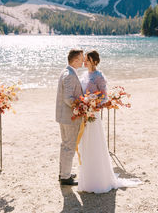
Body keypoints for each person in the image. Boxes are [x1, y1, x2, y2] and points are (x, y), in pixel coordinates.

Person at [78, 50, 141, 193]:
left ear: (93, 61)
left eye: (87, 59)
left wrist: (94, 104)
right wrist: (83, 104)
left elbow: (105, 98)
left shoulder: (99, 76)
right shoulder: (83, 75)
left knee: (95, 145)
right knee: (85, 146)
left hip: (93, 116)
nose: (84, 62)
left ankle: (99, 180)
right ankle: (87, 180)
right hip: (84, 116)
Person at [56, 49, 84, 185]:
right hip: (69, 117)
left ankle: (63, 173)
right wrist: (80, 107)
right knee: (69, 146)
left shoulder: (66, 71)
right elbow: (68, 98)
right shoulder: (70, 75)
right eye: (82, 58)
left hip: (63, 116)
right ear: (76, 59)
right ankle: (65, 177)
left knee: (65, 145)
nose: (83, 60)